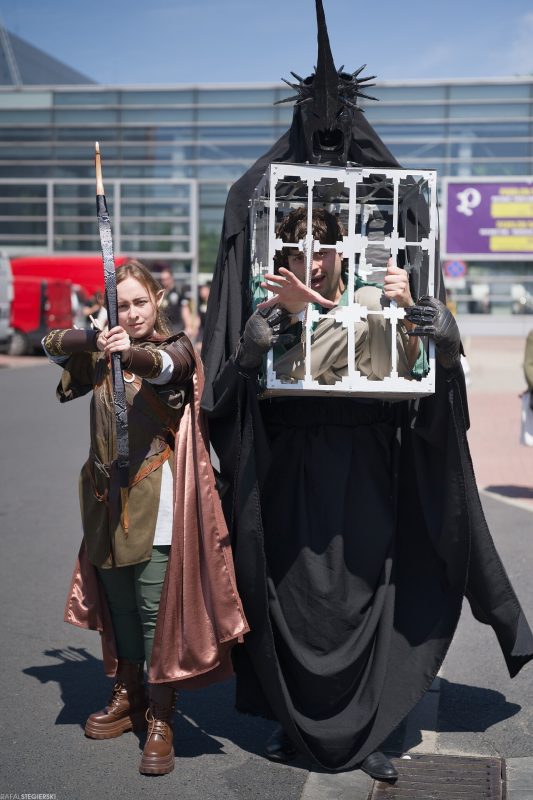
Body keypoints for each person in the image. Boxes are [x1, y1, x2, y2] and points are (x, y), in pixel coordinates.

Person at [201, 0, 533, 784]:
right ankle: (294, 724)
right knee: (286, 588)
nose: (313, 254)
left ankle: (370, 725)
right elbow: (226, 372)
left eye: (325, 243)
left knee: (364, 587)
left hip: (368, 456)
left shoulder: (381, 266)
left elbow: (424, 363)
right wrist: (250, 353)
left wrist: (441, 335)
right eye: (301, 243)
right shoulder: (258, 239)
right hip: (287, 461)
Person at [43, 259, 248, 776]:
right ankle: (129, 693)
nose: (132, 313)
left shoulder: (174, 345)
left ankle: (161, 715)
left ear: (156, 300)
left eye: (140, 302)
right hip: (104, 499)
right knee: (121, 607)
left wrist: (127, 352)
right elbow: (50, 345)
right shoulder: (101, 347)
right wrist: (93, 339)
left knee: (153, 608)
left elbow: (166, 369)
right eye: (122, 305)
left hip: (158, 495)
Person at [158, 265, 193, 336]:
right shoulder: (160, 293)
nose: (164, 281)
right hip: (163, 327)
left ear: (171, 278)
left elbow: (185, 309)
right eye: (162, 279)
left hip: (176, 326)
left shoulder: (178, 291)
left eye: (166, 279)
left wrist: (188, 326)